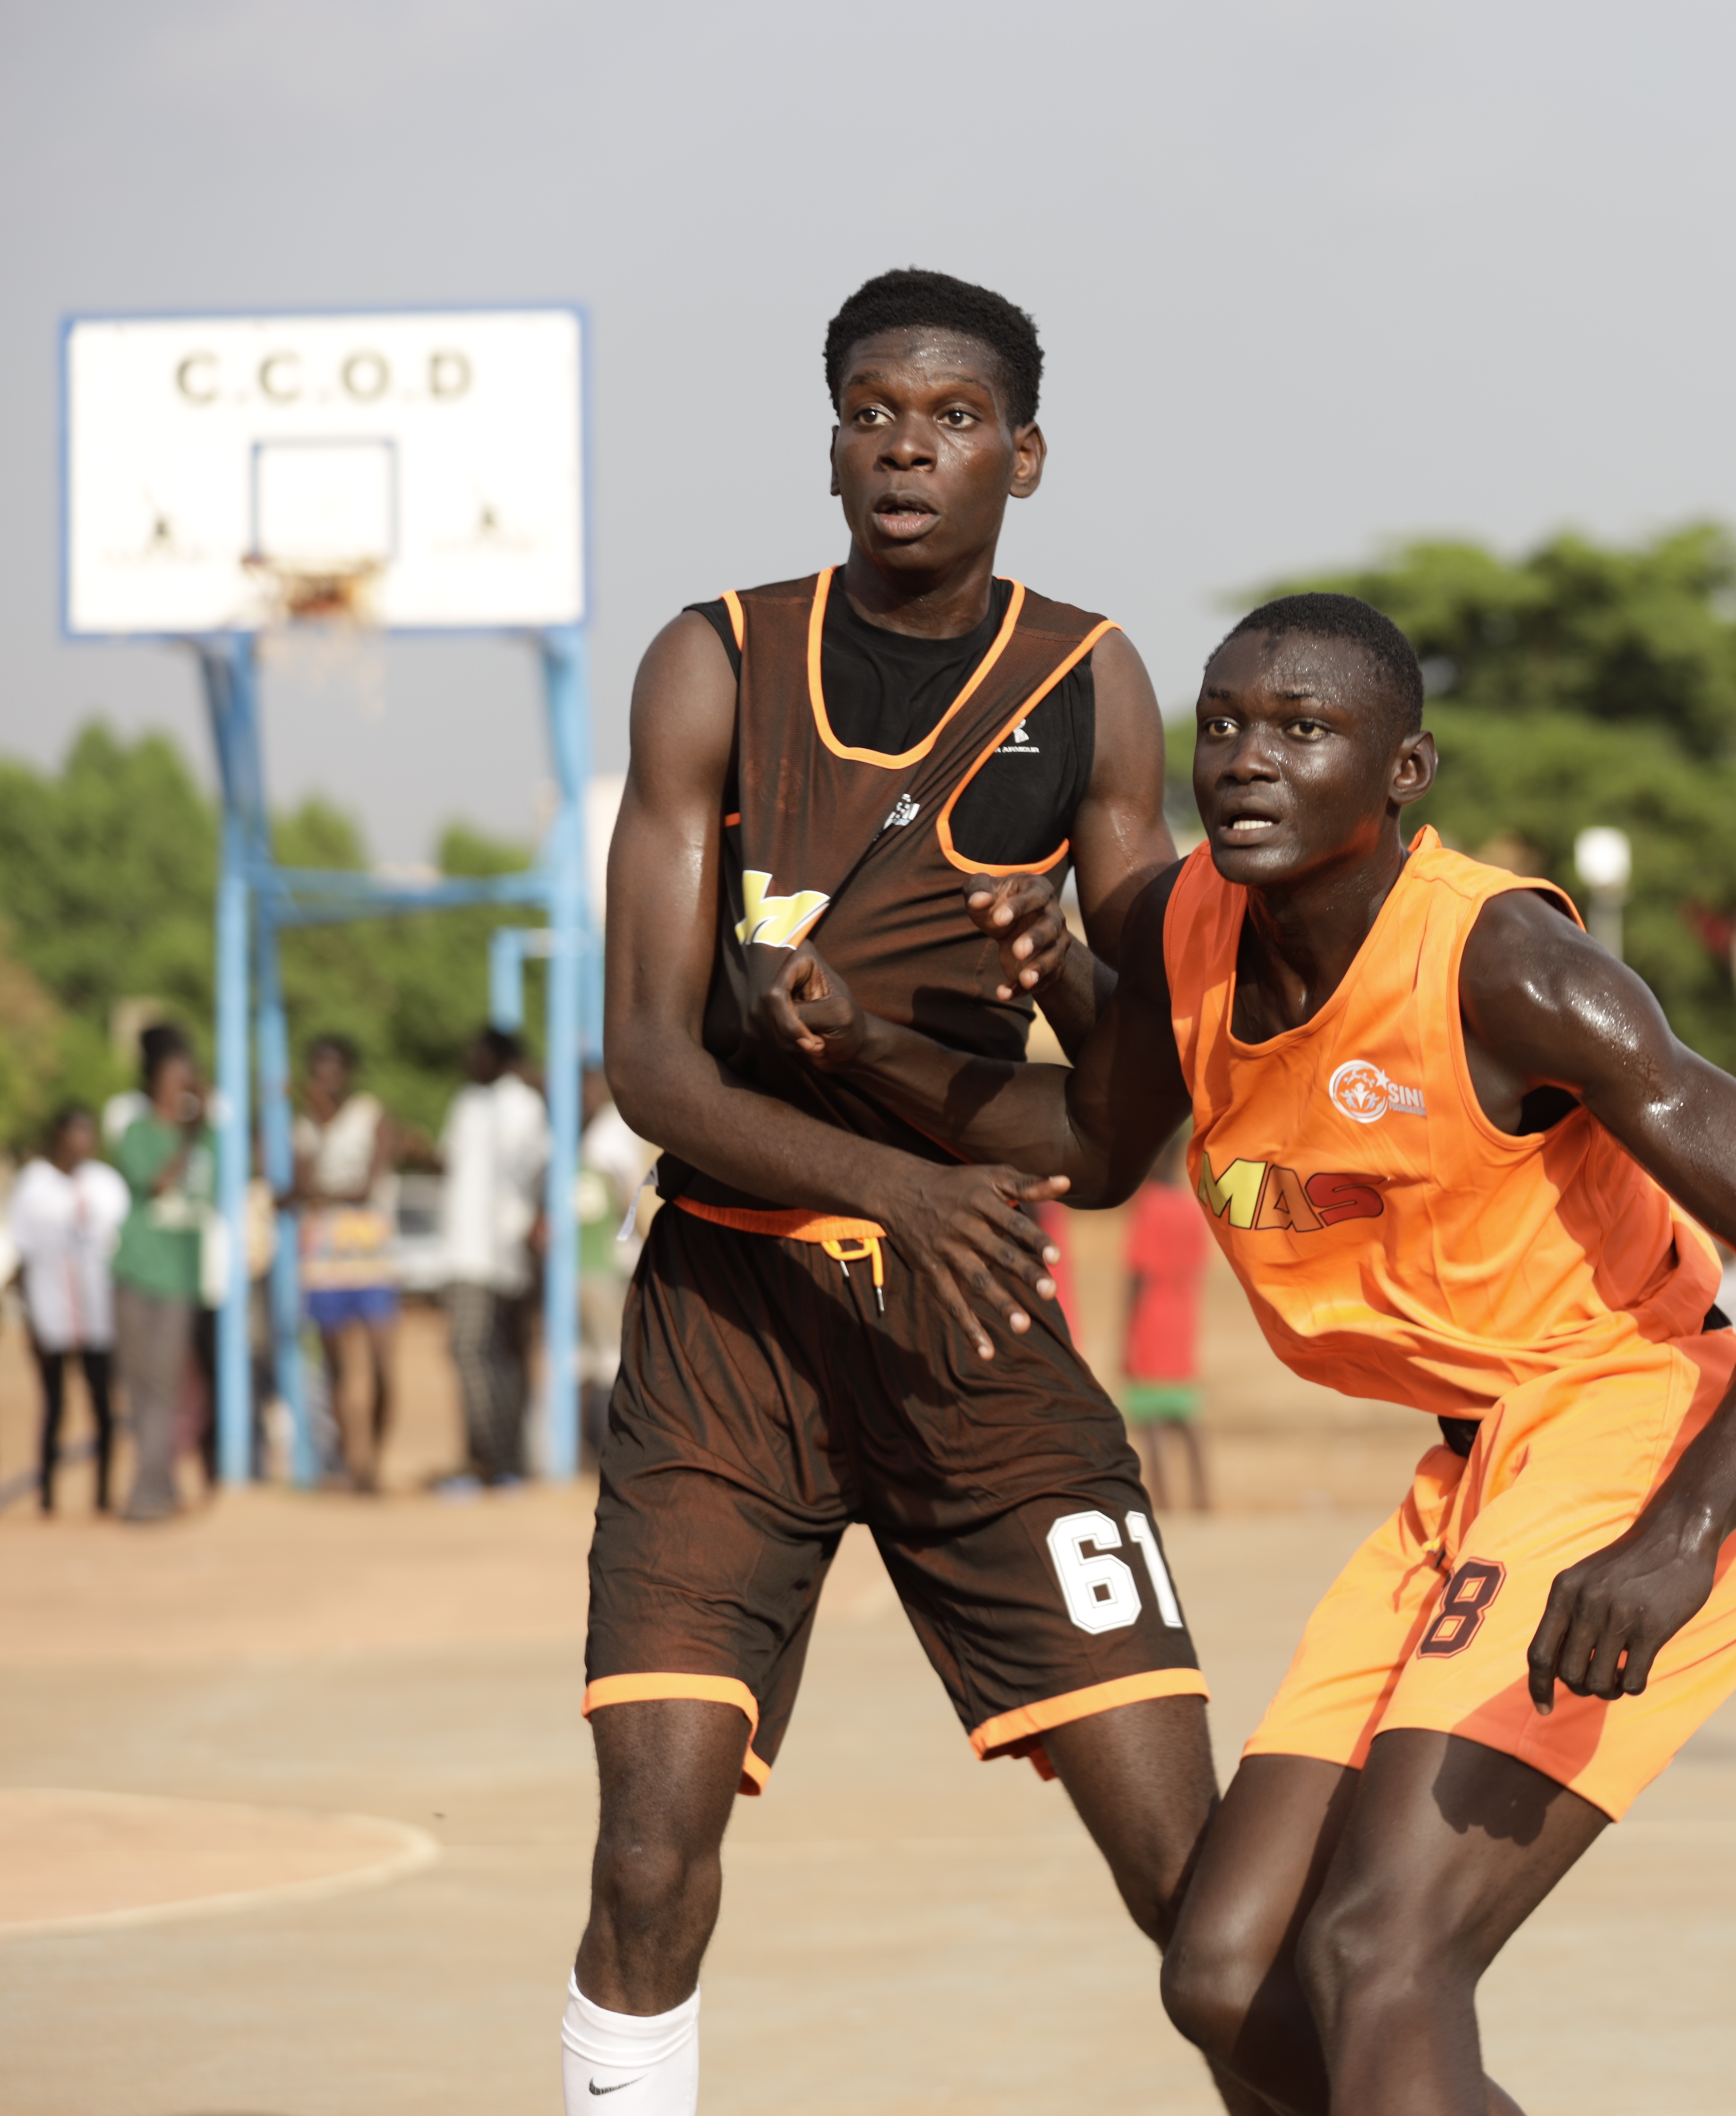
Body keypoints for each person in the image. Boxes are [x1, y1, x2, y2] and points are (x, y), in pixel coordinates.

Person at [757, 589, 1736, 2115]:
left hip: (1638, 1442)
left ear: (1403, 774)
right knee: (1229, 1976)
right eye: (1225, 726)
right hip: (1476, 1464)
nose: (1247, 760)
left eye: (1305, 731)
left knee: (1380, 1954)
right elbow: (1094, 1151)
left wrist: (1681, 1538)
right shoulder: (1188, 929)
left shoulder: (1509, 970)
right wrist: (865, 1045)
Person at [566, 268, 1211, 2116]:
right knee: (648, 1854)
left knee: (1191, 1871)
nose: (904, 445)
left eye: (946, 419)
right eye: (870, 412)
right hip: (730, 1326)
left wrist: (1076, 970)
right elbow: (657, 1066)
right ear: (833, 440)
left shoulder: (1091, 684)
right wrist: (900, 1182)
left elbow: (1121, 1120)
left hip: (975, 1343)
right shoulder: (718, 659)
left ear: (1024, 453)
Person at [438, 1026, 549, 1491]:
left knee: (476, 1352)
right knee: (485, 1357)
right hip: (466, 1249)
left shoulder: (523, 1105)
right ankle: (494, 1460)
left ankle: (498, 1460)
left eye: (477, 1051)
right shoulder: (468, 1103)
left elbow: (539, 1169)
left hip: (496, 1252)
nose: (469, 1058)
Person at [290, 1035, 402, 1492]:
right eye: (318, 1067)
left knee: (381, 1364)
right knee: (336, 1368)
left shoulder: (372, 1115)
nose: (325, 1076)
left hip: (372, 1251)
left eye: (334, 1067)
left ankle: (374, 1458)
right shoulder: (304, 1127)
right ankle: (351, 1459)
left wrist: (313, 1194)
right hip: (325, 1257)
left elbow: (364, 1187)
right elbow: (301, 1180)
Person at [110, 1036, 213, 1524]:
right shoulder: (138, 1132)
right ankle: (157, 1484)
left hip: (180, 1280)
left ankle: (149, 1490)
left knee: (165, 1387)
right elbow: (157, 1183)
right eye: (178, 1079)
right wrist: (188, 1139)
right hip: (136, 1274)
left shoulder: (208, 1136)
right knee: (142, 1387)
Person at [11, 1105, 129, 1513]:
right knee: (55, 1407)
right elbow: (21, 1262)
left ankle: (103, 1494)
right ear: (59, 1136)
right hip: (51, 1318)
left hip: (100, 1319)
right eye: (77, 1133)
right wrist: (29, 1322)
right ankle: (47, 1496)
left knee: (103, 1406)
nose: (86, 1142)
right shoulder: (34, 1186)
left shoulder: (106, 1185)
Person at [1120, 1145, 1213, 1514]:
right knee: (1187, 1414)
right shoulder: (1190, 1208)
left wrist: (1124, 1332)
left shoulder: (1150, 1205)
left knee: (1152, 1418)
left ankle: (1166, 1505)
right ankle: (1203, 1501)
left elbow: (1138, 1274)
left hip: (1152, 1319)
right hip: (1184, 1318)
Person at [572, 1066, 654, 1464]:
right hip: (595, 1264)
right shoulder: (595, 1133)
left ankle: (606, 1449)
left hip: (605, 1262)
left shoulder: (606, 1134)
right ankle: (597, 1449)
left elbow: (629, 1198)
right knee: (596, 1360)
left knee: (605, 1360)